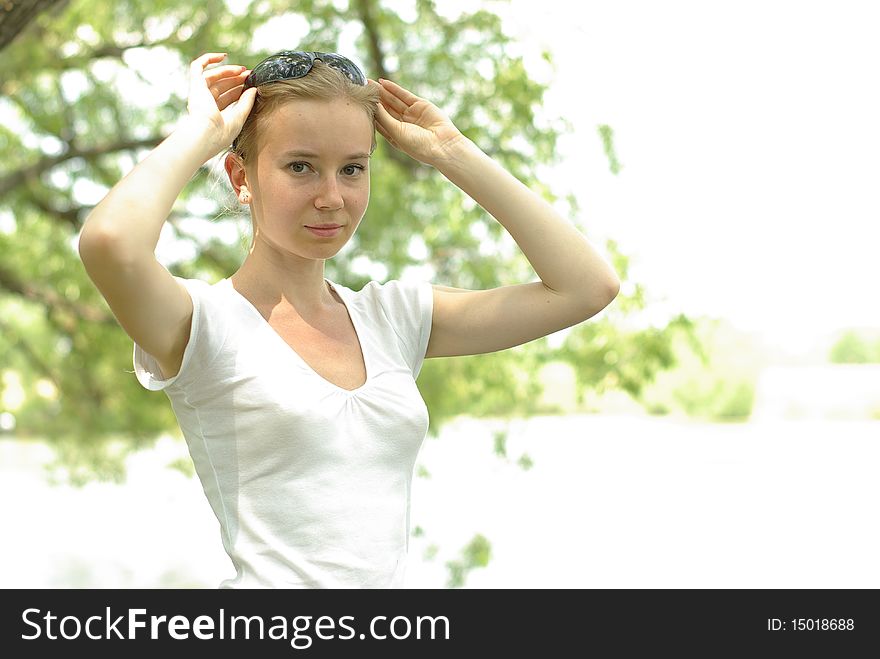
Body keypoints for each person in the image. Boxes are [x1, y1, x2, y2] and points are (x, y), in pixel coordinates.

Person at [78, 50, 621, 588]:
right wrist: (201, 134)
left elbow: (585, 287)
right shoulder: (204, 325)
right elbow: (110, 242)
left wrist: (453, 153)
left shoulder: (394, 318)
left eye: (352, 169)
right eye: (300, 167)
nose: (332, 197)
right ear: (240, 176)